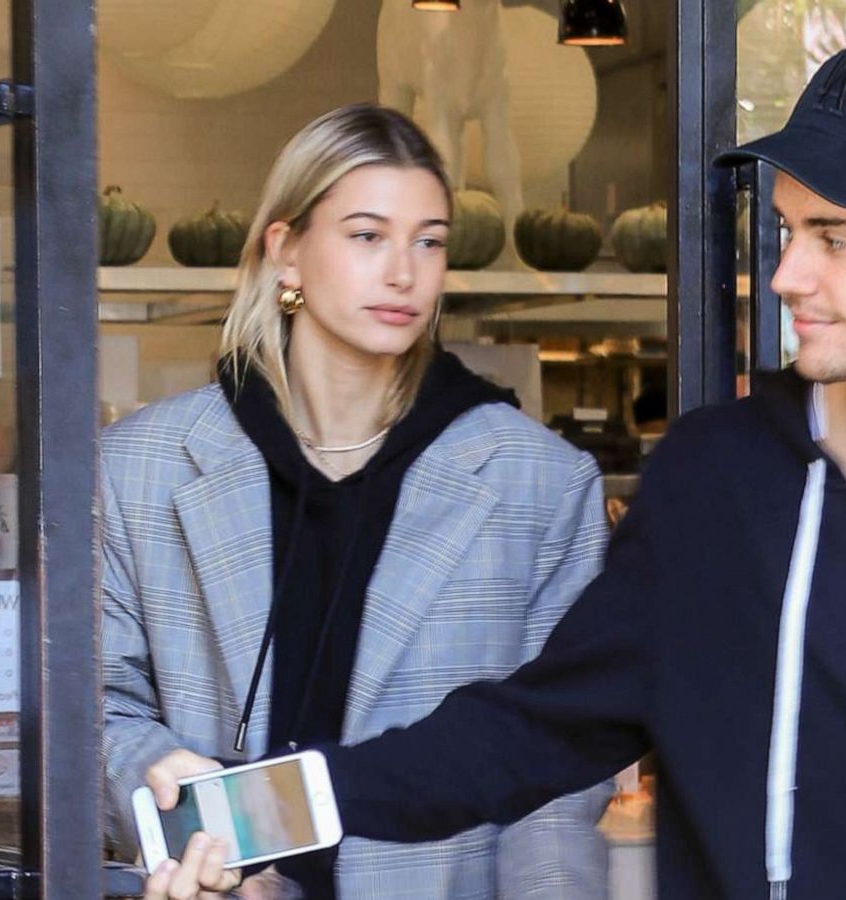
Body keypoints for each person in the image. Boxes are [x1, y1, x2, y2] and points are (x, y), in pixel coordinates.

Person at [150, 36, 846, 900]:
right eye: (787, 231)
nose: (788, 274)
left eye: (834, 238)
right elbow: (524, 732)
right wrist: (245, 815)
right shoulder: (721, 486)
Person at [99, 103, 611, 900]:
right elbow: (95, 703)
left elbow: (557, 779)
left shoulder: (535, 481)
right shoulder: (143, 466)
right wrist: (175, 805)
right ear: (287, 252)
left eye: (429, 240)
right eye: (367, 236)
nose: (404, 272)